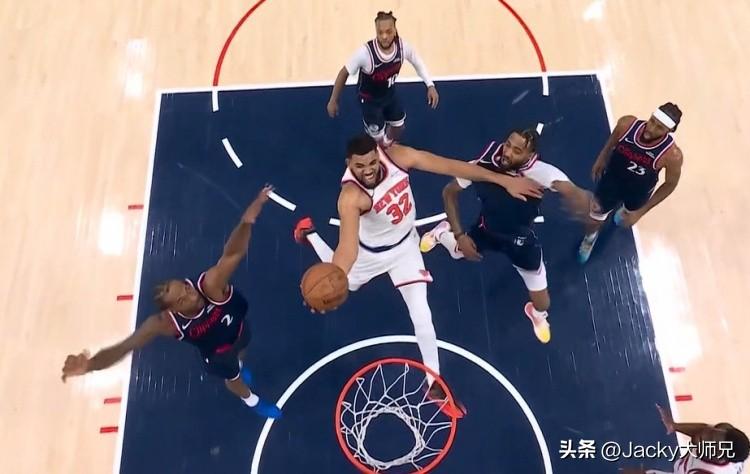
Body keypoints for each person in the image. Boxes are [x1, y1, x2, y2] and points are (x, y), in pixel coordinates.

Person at [293, 134, 543, 416]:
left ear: (378, 154)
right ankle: (309, 234)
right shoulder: (350, 197)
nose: (369, 170)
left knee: (422, 314)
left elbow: (450, 166)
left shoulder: (398, 156)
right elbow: (348, 248)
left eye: (372, 162)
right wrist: (332, 280)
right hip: (369, 254)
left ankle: (433, 383)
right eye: (360, 166)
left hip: (405, 247)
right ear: (349, 164)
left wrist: (503, 180)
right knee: (345, 284)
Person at [61, 186, 282, 419]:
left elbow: (233, 252)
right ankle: (252, 400)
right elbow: (125, 347)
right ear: (173, 310)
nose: (190, 294)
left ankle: (240, 365)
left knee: (242, 348)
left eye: (186, 287)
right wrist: (90, 365)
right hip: (219, 354)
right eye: (182, 299)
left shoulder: (210, 285)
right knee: (233, 378)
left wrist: (246, 221)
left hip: (239, 329)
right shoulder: (165, 324)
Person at [419, 128, 590, 344]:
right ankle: (442, 232)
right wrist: (460, 234)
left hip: (520, 243)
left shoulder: (540, 173)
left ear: (530, 155)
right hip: (486, 231)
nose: (507, 152)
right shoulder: (482, 166)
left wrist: (579, 197)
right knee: (456, 252)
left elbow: (564, 186)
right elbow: (449, 192)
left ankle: (536, 314)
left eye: (517, 151)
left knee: (543, 304)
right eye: (508, 144)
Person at [578, 103, 684, 263]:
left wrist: (641, 212)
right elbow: (612, 141)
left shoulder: (672, 155)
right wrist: (602, 158)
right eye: (652, 121)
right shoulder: (626, 124)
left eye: (659, 128)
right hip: (611, 181)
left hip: (638, 192)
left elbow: (670, 185)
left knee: (625, 216)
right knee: (595, 218)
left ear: (669, 131)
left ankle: (623, 212)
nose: (651, 129)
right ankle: (590, 238)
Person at [326, 11, 439, 147]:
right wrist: (333, 99)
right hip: (370, 100)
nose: (384, 36)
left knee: (399, 127)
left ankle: (387, 145)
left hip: (389, 95)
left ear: (395, 30)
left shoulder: (403, 47)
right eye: (380, 33)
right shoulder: (365, 53)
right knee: (377, 139)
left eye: (388, 32)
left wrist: (430, 85)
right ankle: (379, 150)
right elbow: (343, 73)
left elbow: (417, 62)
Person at [619, 404, 749, 473]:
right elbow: (705, 429)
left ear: (718, 457)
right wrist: (673, 426)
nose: (704, 436)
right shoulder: (726, 433)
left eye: (709, 443)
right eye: (711, 433)